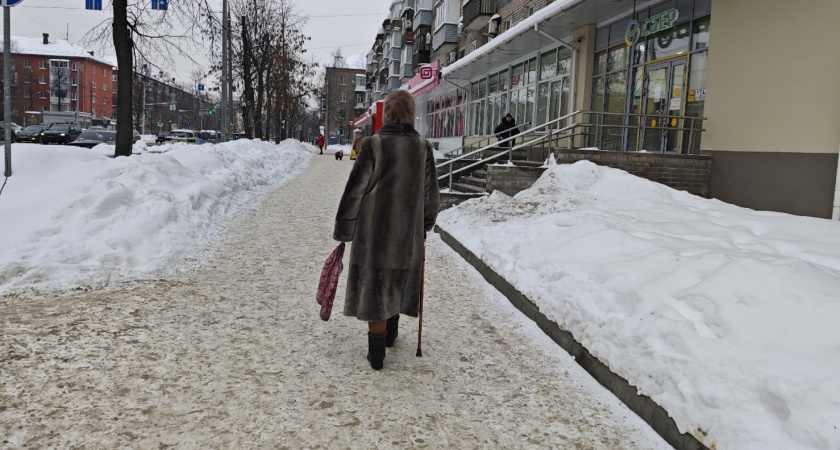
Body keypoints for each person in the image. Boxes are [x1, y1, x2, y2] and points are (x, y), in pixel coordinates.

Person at [334, 90, 440, 371]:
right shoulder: (423, 148)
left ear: (388, 113)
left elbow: (354, 190)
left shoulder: (374, 144)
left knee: (375, 286)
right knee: (397, 281)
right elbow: (431, 194)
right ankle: (392, 334)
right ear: (411, 115)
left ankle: (377, 353)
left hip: (374, 233)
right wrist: (426, 223)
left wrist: (345, 227)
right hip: (408, 235)